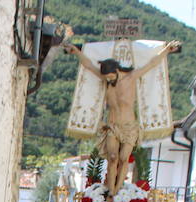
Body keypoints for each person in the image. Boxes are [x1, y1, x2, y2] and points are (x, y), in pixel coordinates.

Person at [65, 38, 182, 192]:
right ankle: (111, 191)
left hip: (129, 127)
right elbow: (88, 65)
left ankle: (116, 190)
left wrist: (166, 50)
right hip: (112, 126)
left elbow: (152, 63)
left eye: (111, 78)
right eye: (106, 78)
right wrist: (77, 52)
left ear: (117, 71)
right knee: (112, 158)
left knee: (123, 159)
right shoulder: (107, 80)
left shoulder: (131, 77)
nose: (108, 80)